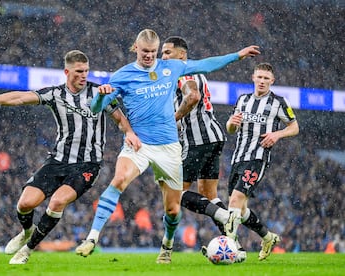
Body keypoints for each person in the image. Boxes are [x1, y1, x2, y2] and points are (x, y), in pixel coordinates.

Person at [75, 28, 260, 264]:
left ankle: (167, 246)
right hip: (139, 145)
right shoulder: (122, 75)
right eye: (145, 52)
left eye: (153, 52)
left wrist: (238, 55)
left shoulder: (171, 67)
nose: (149, 56)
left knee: (173, 210)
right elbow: (95, 108)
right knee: (119, 180)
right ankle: (92, 238)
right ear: (136, 48)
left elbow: (207, 65)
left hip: (169, 147)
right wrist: (102, 95)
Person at [0, 50, 141, 265]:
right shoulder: (55, 94)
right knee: (25, 204)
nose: (83, 75)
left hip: (87, 164)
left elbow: (120, 119)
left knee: (57, 202)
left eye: (86, 71)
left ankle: (27, 250)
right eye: (78, 71)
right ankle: (26, 232)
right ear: (67, 71)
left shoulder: (99, 93)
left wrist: (128, 132)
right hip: (57, 160)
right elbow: (20, 97)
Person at [161, 36, 247, 261]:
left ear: (182, 55)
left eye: (168, 52)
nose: (163, 57)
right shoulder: (196, 73)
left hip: (197, 140)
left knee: (176, 193)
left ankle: (223, 215)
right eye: (163, 53)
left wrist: (174, 118)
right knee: (209, 195)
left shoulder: (183, 73)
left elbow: (193, 96)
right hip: (214, 137)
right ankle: (235, 246)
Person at [224, 62, 299, 261]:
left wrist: (277, 135)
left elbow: (294, 127)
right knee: (239, 209)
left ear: (272, 81)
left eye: (266, 78)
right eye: (259, 77)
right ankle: (268, 237)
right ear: (253, 78)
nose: (262, 81)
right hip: (238, 157)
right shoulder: (242, 100)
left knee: (234, 201)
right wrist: (231, 123)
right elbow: (231, 129)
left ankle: (231, 248)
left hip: (258, 158)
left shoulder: (278, 102)